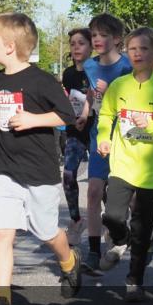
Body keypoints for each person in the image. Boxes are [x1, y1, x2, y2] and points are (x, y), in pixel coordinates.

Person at [0, 12, 81, 305]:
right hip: (4, 168)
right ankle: (3, 302)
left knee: (46, 231)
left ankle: (69, 260)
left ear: (9, 46)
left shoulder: (41, 80)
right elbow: (2, 109)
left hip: (39, 171)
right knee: (1, 232)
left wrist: (34, 120)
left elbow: (68, 116)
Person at [96, 28, 153, 301]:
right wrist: (103, 138)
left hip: (152, 170)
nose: (137, 54)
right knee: (112, 216)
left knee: (143, 229)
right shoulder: (120, 86)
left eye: (144, 49)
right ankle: (121, 239)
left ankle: (134, 281)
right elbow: (106, 115)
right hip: (122, 164)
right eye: (133, 49)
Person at [82, 13, 132, 272]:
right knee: (93, 191)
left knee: (121, 196)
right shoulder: (90, 66)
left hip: (125, 137)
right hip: (99, 135)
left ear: (116, 39)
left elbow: (138, 97)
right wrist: (83, 114)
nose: (97, 40)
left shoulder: (128, 66)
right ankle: (92, 251)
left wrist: (112, 88)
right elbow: (92, 94)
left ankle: (128, 234)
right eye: (94, 35)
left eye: (103, 35)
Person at [62, 27, 93, 243]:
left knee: (102, 180)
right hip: (75, 130)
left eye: (81, 43)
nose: (76, 47)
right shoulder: (68, 73)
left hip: (96, 128)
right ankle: (76, 220)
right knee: (68, 175)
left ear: (91, 46)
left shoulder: (98, 70)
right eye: (73, 44)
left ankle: (110, 221)